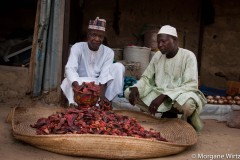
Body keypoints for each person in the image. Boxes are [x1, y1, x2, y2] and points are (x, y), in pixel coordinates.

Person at [124, 25, 207, 132]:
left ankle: (184, 121)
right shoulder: (157, 56)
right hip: (159, 92)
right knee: (128, 92)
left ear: (175, 40)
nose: (160, 45)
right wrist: (137, 87)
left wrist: (165, 96)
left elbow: (190, 84)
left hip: (181, 94)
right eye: (158, 42)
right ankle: (168, 114)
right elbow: (147, 78)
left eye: (163, 41)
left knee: (187, 104)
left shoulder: (188, 56)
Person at [61, 17, 125, 107]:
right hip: (80, 83)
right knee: (67, 80)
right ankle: (75, 103)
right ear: (88, 35)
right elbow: (70, 69)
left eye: (100, 36)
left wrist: (100, 95)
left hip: (98, 85)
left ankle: (105, 101)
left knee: (119, 67)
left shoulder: (108, 52)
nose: (97, 39)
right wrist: (79, 89)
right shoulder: (77, 47)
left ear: (103, 37)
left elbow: (104, 75)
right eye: (93, 35)